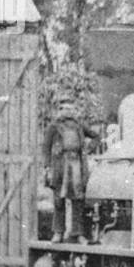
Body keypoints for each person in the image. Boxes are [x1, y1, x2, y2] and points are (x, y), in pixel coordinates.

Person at [43, 94, 96, 243]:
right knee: (59, 200)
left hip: (76, 165)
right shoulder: (54, 126)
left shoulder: (79, 125)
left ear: (74, 110)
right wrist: (47, 167)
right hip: (60, 165)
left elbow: (96, 136)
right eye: (65, 108)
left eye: (71, 108)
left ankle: (78, 234)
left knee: (78, 200)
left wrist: (88, 149)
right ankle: (58, 233)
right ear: (60, 110)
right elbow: (46, 148)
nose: (68, 111)